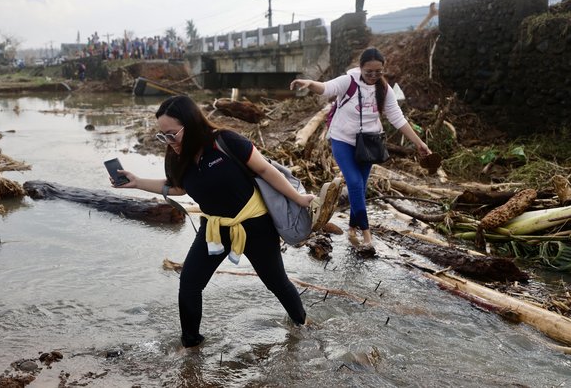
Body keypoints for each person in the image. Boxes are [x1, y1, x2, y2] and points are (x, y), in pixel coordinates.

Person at [113, 95, 316, 348]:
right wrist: (137, 182)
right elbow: (178, 189)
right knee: (189, 283)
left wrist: (298, 197)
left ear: (191, 123)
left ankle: (303, 328)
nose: (168, 141)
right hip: (215, 228)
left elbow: (265, 170)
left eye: (171, 134)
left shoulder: (225, 141)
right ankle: (191, 346)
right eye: (162, 136)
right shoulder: (176, 155)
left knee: (276, 282)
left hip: (254, 223)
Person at [289, 48, 432, 248]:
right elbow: (326, 88)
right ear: (361, 68)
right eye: (369, 72)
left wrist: (419, 143)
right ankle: (366, 234)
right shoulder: (348, 82)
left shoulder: (384, 89)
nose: (373, 76)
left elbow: (397, 118)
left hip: (369, 144)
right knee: (355, 183)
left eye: (378, 71)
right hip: (342, 140)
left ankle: (351, 229)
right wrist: (310, 83)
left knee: (360, 189)